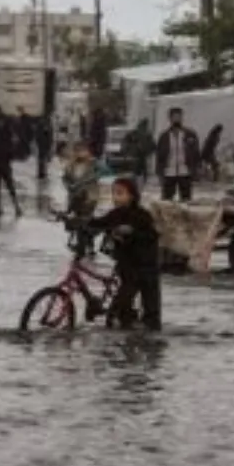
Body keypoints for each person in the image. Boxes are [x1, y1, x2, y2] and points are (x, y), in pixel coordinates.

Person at [82, 177, 160, 330]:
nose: (116, 198)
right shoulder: (116, 214)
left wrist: (132, 232)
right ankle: (125, 333)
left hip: (144, 268)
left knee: (151, 314)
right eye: (114, 194)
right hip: (125, 265)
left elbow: (152, 237)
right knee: (121, 307)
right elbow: (99, 223)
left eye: (120, 193)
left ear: (131, 195)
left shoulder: (142, 215)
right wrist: (78, 221)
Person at [155, 107, 201, 202]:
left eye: (179, 116)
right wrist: (159, 173)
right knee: (167, 201)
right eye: (174, 117)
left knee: (186, 200)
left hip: (185, 171)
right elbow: (159, 156)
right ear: (170, 118)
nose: (177, 119)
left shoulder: (189, 134)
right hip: (169, 172)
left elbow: (196, 153)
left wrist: (197, 169)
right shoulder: (164, 136)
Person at [0, 106, 22, 217]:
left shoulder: (7, 131)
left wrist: (9, 155)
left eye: (1, 121)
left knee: (10, 186)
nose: (0, 123)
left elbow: (12, 145)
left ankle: (16, 206)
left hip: (4, 163)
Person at [34, 115, 54, 181]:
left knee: (42, 159)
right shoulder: (46, 125)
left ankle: (42, 172)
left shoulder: (45, 125)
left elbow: (49, 135)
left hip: (43, 144)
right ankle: (42, 173)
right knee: (43, 159)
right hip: (43, 145)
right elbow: (49, 136)